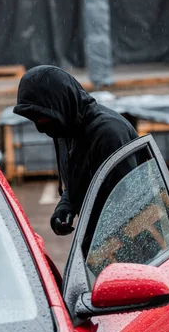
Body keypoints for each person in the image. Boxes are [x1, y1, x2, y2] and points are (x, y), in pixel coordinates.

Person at [13, 66, 139, 236]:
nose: (40, 127)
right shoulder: (66, 126)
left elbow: (131, 204)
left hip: (128, 241)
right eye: (34, 119)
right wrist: (66, 206)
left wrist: (100, 247)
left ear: (61, 104)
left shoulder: (109, 134)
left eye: (42, 116)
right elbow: (81, 178)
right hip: (99, 239)